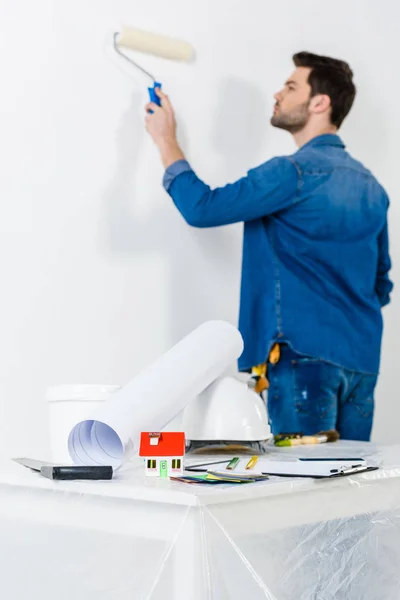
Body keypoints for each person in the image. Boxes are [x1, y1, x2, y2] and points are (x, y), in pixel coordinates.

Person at [144, 51, 393, 441]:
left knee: (298, 493)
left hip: (301, 357)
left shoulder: (291, 173)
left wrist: (165, 140)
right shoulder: (373, 189)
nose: (277, 94)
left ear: (319, 103)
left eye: (291, 86)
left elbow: (202, 207)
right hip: (361, 364)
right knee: (346, 491)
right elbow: (381, 285)